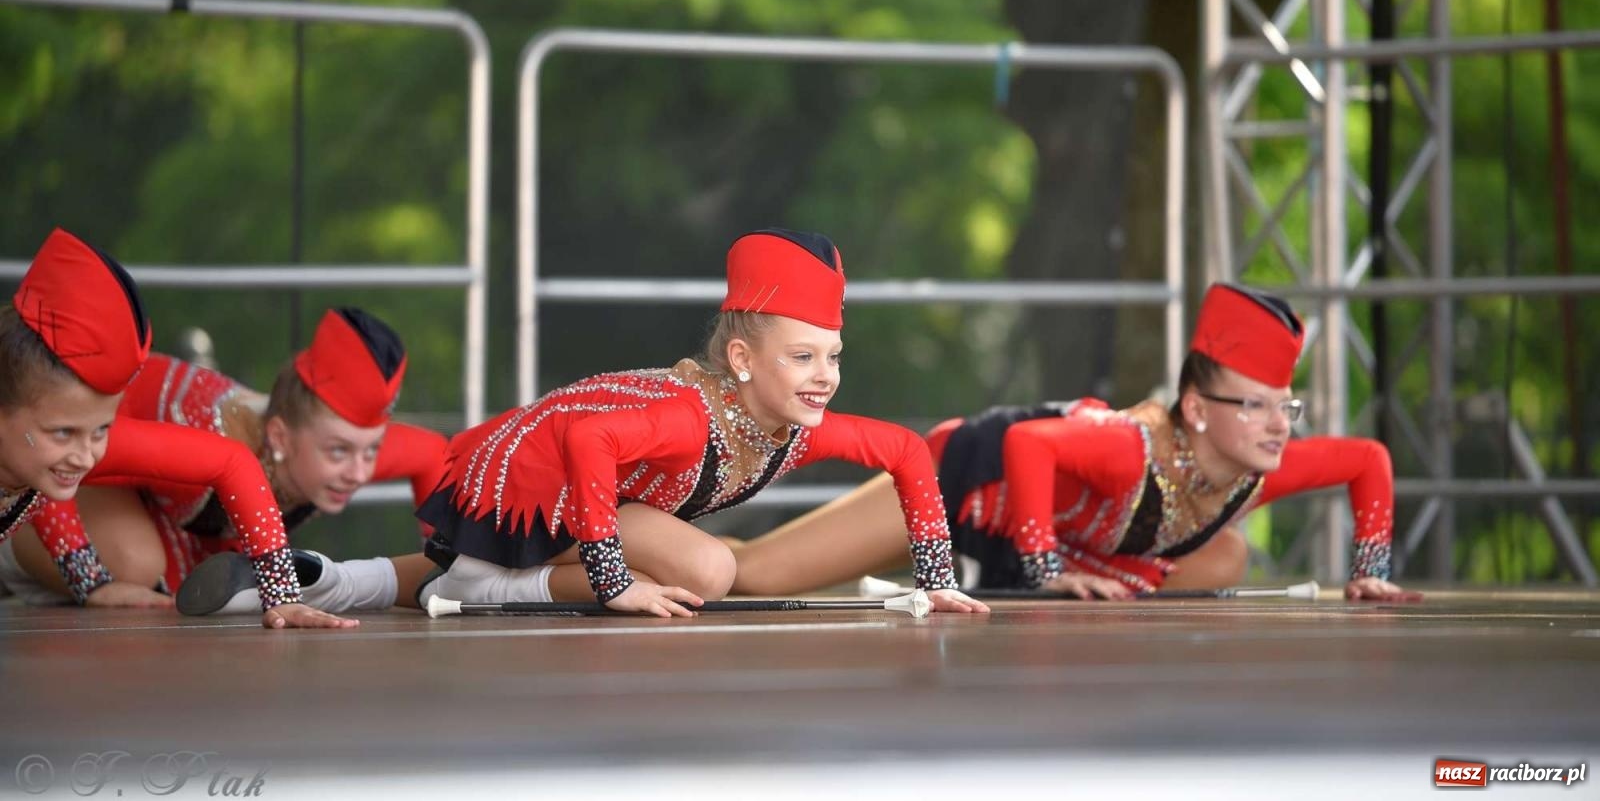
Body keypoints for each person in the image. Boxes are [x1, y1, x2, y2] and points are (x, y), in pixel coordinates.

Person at [393, 228, 984, 617]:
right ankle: (489, 584)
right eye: (803, 357)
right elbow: (586, 435)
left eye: (834, 357)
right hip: (531, 475)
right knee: (708, 569)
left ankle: (375, 580)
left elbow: (907, 450)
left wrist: (935, 580)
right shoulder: (691, 419)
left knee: (698, 570)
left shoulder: (795, 428)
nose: (825, 376)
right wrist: (613, 581)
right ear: (742, 359)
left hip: (596, 496)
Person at [729, 283, 1419, 603]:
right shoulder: (1133, 451)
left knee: (1227, 554)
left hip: (1053, 523)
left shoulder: (1257, 469)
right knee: (753, 575)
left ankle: (1055, 569)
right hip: (964, 482)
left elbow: (1369, 460)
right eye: (1258, 407)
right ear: (1197, 410)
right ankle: (657, 531)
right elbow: (1030, 443)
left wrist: (1371, 570)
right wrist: (1044, 570)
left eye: (1286, 407)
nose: (1280, 425)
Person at [0, 227, 352, 628]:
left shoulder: (49, 444)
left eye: (101, 429)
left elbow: (233, 462)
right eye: (63, 432)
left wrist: (281, 594)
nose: (86, 456)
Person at [3, 306, 446, 615]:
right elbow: (62, 461)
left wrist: (444, 559)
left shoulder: (337, 447)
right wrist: (89, 579)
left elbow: (431, 454)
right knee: (138, 564)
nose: (360, 472)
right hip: (72, 476)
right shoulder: (201, 433)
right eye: (339, 451)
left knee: (194, 582)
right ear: (280, 436)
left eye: (372, 449)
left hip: (143, 496)